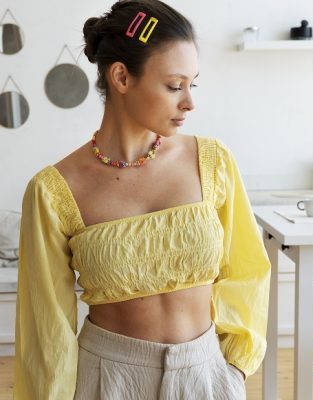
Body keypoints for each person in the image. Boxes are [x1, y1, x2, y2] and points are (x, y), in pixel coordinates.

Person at [13, 0, 271, 399]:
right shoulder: (54, 190)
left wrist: (233, 368)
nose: (189, 102)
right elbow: (45, 328)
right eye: (174, 85)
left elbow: (247, 270)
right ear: (120, 76)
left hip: (207, 377)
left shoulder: (212, 162)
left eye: (192, 84)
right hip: (108, 381)